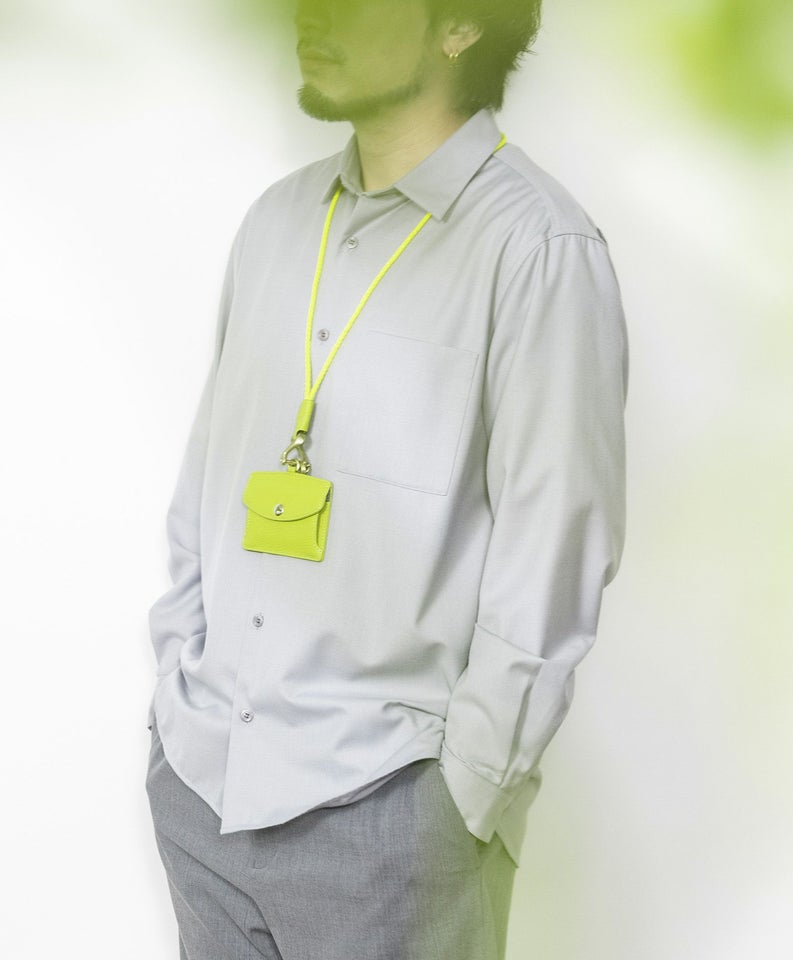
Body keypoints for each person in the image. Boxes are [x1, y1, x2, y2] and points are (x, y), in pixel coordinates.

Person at [144, 1, 628, 958]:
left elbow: (555, 556)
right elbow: (204, 492)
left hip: (387, 820)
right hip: (206, 789)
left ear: (461, 26)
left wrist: (459, 805)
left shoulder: (538, 250)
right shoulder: (276, 224)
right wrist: (175, 701)